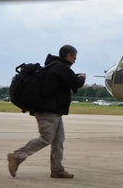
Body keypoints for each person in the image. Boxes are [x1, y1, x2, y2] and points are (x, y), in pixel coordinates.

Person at [7, 45, 86, 179]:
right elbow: (75, 83)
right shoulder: (60, 67)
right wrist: (82, 78)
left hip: (54, 111)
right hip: (47, 111)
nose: (75, 61)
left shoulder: (53, 67)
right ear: (69, 56)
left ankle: (57, 169)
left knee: (58, 140)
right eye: (74, 57)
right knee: (46, 138)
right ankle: (17, 156)